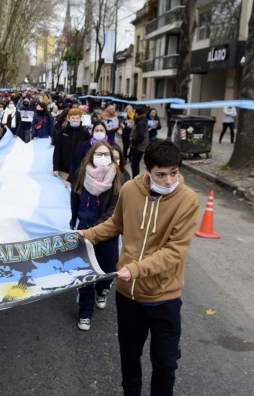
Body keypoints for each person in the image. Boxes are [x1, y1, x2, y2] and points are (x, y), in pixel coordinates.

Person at [77, 140, 200, 396]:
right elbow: (115, 224)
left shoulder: (188, 201)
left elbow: (175, 251)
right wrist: (86, 235)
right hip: (128, 296)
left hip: (163, 297)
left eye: (174, 173)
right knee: (129, 356)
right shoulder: (131, 189)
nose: (168, 181)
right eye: (161, 174)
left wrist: (136, 268)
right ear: (147, 170)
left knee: (165, 364)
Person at [69, 140, 121, 331]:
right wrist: (73, 220)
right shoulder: (80, 175)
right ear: (91, 156)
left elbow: (114, 211)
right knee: (85, 273)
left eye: (106, 154)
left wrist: (97, 230)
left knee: (107, 269)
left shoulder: (117, 179)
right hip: (83, 230)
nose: (102, 158)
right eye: (98, 154)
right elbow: (75, 200)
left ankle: (103, 289)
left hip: (107, 232)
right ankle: (85, 312)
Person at [53, 108, 91, 180]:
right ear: (68, 118)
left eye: (77, 118)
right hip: (63, 169)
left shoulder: (85, 133)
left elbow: (88, 151)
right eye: (73, 118)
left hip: (79, 170)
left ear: (80, 119)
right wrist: (56, 168)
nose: (75, 120)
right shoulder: (62, 132)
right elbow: (57, 150)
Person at [130, 105, 149, 177]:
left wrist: (134, 143)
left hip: (139, 147)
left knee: (134, 164)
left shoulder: (141, 123)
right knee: (135, 163)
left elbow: (141, 136)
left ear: (137, 113)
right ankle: (135, 177)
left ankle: (135, 178)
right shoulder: (141, 121)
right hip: (139, 146)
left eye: (135, 112)